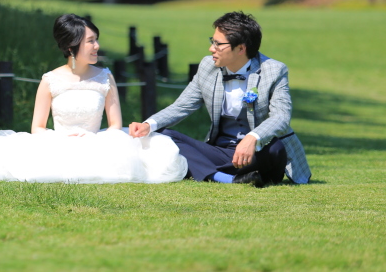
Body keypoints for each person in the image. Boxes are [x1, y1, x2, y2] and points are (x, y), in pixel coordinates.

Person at [0, 14, 188, 183]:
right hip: (57, 143)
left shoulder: (105, 77)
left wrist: (92, 137)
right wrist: (59, 138)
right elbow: (37, 127)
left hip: (97, 142)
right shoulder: (50, 80)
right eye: (91, 41)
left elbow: (114, 125)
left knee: (156, 148)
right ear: (71, 47)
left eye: (96, 40)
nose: (97, 46)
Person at [129, 11, 311, 187]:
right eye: (212, 42)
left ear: (241, 48)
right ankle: (225, 178)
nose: (211, 49)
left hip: (258, 152)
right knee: (164, 136)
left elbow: (281, 116)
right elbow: (181, 106)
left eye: (218, 44)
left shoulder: (274, 70)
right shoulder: (207, 66)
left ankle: (204, 169)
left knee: (275, 147)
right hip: (221, 152)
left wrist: (253, 138)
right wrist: (148, 124)